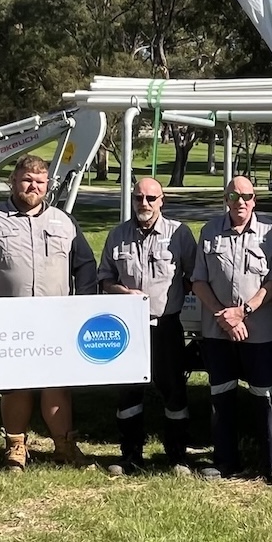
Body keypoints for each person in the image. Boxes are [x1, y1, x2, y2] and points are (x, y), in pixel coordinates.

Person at [0, 154, 98, 471]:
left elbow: (85, 264)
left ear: (47, 186)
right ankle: (16, 448)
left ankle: (65, 447)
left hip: (55, 319)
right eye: (27, 180)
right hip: (8, 321)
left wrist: (85, 301)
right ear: (13, 182)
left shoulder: (63, 222)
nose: (33, 186)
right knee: (15, 384)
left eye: (40, 181)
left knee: (56, 384)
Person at [190, 175, 272, 485]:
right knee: (221, 396)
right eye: (234, 196)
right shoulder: (209, 231)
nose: (240, 201)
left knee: (266, 399)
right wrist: (224, 316)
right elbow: (198, 281)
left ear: (254, 200)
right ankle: (225, 462)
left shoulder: (270, 233)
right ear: (226, 199)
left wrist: (243, 312)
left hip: (257, 330)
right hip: (217, 330)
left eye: (246, 195)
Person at [97, 177, 197, 476]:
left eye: (151, 198)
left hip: (166, 326)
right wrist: (123, 293)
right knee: (128, 393)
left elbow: (194, 278)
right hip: (128, 328)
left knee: (174, 391)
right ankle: (131, 455)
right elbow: (104, 279)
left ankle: (177, 456)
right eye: (139, 197)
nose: (144, 203)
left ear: (161, 200)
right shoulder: (118, 235)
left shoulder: (180, 235)